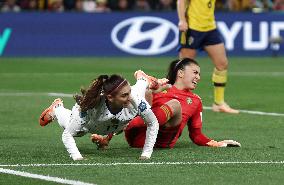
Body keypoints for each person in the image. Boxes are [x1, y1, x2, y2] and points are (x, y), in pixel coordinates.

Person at [97, 58, 240, 149]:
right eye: (195, 72)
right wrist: (152, 91)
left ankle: (124, 125)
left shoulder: (196, 100)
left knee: (174, 104)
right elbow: (132, 108)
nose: (198, 77)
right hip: (137, 137)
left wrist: (216, 143)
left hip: (161, 141)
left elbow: (196, 135)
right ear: (181, 73)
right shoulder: (161, 87)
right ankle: (108, 135)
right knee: (143, 93)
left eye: (199, 74)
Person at [39, 73, 160, 161]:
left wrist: (146, 154)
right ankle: (57, 108)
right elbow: (67, 135)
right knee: (78, 132)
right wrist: (77, 157)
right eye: (124, 95)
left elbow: (153, 123)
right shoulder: (89, 107)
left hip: (116, 124)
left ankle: (143, 78)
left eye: (128, 93)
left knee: (139, 91)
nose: (129, 97)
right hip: (93, 125)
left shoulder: (133, 97)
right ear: (110, 97)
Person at [177, 0, 239, 114]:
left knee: (222, 64)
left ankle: (219, 103)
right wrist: (182, 20)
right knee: (184, 66)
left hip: (210, 28)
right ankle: (177, 101)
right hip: (192, 27)